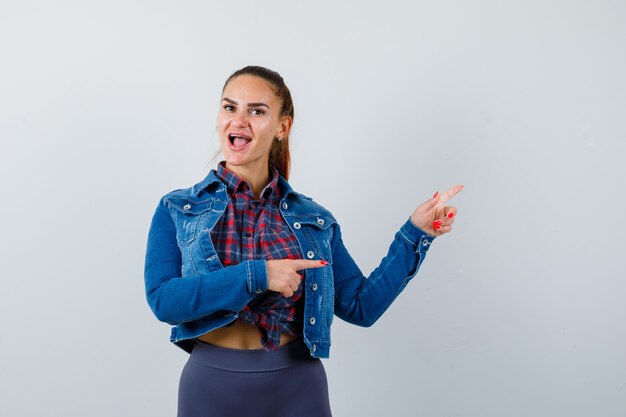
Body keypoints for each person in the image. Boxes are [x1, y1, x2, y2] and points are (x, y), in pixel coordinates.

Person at [144, 65, 463, 417]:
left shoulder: (314, 219)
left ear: (283, 127)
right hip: (210, 387)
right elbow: (163, 301)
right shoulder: (177, 208)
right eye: (230, 107)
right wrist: (258, 275)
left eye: (257, 111)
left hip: (298, 388)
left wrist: (415, 233)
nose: (238, 121)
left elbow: (361, 307)